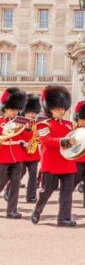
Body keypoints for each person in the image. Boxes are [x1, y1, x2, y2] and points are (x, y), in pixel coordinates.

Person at [32, 85, 78, 226]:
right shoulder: (44, 125)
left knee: (67, 193)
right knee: (47, 191)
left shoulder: (69, 125)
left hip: (67, 163)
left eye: (63, 108)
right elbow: (46, 141)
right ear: (50, 109)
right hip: (51, 163)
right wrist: (63, 141)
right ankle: (37, 211)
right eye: (58, 109)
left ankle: (64, 218)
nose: (62, 111)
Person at [0, 87, 29, 219]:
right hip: (3, 157)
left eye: (17, 110)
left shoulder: (20, 123)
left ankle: (12, 210)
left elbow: (27, 138)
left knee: (15, 185)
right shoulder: (1, 122)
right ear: (6, 109)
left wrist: (27, 130)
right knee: (1, 183)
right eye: (13, 109)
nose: (15, 112)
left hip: (17, 157)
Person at [18, 94, 42, 203]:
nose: (32, 115)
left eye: (33, 113)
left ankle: (31, 196)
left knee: (33, 175)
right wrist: (23, 142)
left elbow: (40, 138)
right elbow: (15, 136)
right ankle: (9, 190)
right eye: (29, 113)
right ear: (24, 112)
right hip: (22, 152)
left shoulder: (37, 124)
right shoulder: (19, 123)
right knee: (19, 174)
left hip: (33, 153)